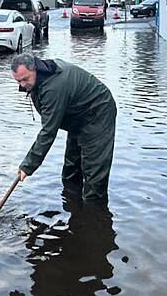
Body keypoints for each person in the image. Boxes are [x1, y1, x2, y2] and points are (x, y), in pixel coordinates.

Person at [11, 54, 117, 201]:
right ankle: (73, 209)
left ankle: (95, 217)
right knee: (71, 169)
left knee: (94, 176)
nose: (22, 85)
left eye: (25, 79)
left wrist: (27, 166)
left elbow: (48, 131)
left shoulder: (53, 88)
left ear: (35, 69)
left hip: (98, 113)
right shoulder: (40, 77)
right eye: (18, 81)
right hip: (76, 115)